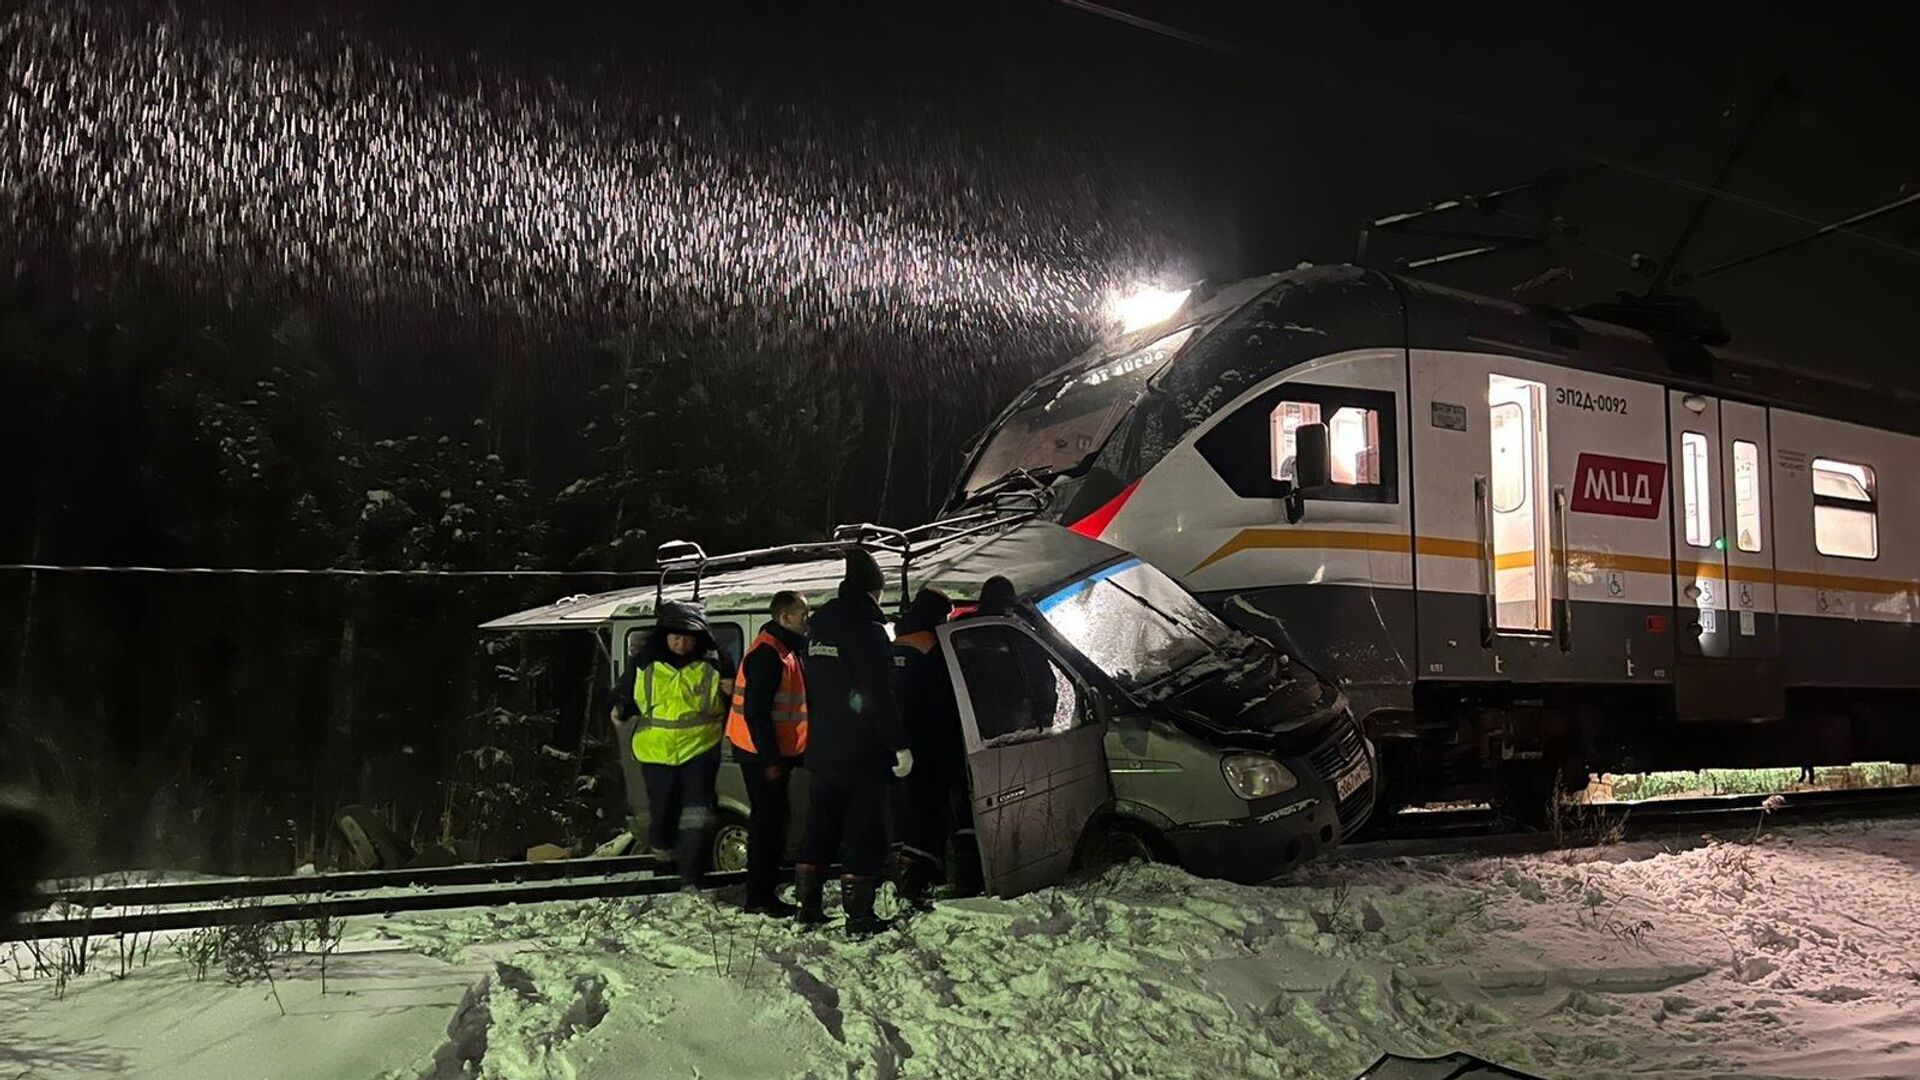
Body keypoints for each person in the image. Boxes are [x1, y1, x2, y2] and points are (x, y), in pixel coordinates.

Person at [794, 549, 912, 935]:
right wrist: (898, 744)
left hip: (822, 746)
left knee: (820, 827)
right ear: (873, 591)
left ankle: (806, 908)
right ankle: (859, 917)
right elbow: (876, 693)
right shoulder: (867, 630)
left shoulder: (817, 629)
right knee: (863, 830)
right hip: (861, 751)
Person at [612, 600, 731, 886]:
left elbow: (732, 695)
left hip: (700, 749)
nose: (681, 643)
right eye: (675, 637)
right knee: (663, 811)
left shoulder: (714, 663)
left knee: (697, 812)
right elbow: (625, 695)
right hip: (656, 752)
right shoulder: (644, 663)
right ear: (664, 636)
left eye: (687, 638)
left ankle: (692, 872)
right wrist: (619, 706)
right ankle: (664, 865)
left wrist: (731, 690)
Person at [725, 590, 812, 916]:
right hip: (760, 755)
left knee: (774, 821)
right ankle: (760, 896)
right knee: (768, 824)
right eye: (803, 614)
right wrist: (772, 760)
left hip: (766, 753)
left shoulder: (781, 650)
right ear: (785, 617)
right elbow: (757, 713)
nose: (807, 620)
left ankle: (763, 892)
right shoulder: (769, 654)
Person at [889, 587, 960, 907]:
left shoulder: (897, 641)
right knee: (931, 810)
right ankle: (917, 882)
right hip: (931, 740)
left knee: (907, 811)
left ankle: (905, 875)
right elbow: (946, 697)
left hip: (898, 741)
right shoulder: (934, 644)